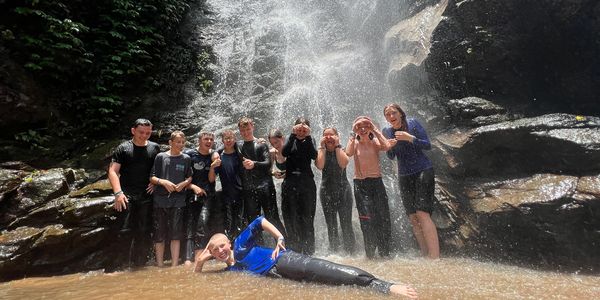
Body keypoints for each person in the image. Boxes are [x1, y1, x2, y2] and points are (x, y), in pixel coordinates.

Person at [193, 216, 418, 299]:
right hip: (280, 277)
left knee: (329, 270)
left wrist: (279, 237)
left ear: (228, 243)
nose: (221, 251)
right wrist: (200, 261)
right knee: (328, 286)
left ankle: (384, 286)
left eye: (222, 246)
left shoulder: (240, 246)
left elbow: (259, 221)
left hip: (282, 261)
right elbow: (198, 279)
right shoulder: (230, 270)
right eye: (215, 250)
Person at [383, 103, 439, 259]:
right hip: (404, 175)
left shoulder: (413, 123)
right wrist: (389, 147)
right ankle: (424, 253)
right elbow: (391, 156)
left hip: (423, 170)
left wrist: (410, 138)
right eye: (388, 115)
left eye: (393, 112)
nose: (391, 116)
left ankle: (435, 257)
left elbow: (427, 145)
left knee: (422, 213)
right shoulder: (387, 131)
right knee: (413, 217)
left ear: (401, 113)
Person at [107, 118, 161, 267]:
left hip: (147, 195)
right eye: (141, 132)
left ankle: (139, 266)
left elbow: (160, 168)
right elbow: (112, 171)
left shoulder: (155, 148)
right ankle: (117, 266)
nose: (144, 136)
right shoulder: (123, 148)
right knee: (123, 230)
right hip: (126, 195)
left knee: (144, 231)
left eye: (148, 133)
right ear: (133, 131)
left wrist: (155, 182)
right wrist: (118, 193)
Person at [346, 116, 392, 259]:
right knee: (366, 219)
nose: (363, 128)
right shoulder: (355, 142)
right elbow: (348, 153)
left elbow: (387, 146)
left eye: (366, 125)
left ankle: (385, 253)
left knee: (382, 217)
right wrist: (354, 133)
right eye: (359, 126)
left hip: (376, 182)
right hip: (360, 184)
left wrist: (374, 128)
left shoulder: (375, 141)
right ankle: (370, 255)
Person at [237, 117, 286, 238]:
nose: (246, 132)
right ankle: (258, 248)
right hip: (249, 189)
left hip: (265, 187)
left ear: (253, 127)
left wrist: (254, 164)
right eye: (243, 130)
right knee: (253, 220)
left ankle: (284, 246)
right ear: (239, 131)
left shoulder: (261, 144)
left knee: (273, 217)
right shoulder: (237, 145)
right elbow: (223, 147)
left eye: (248, 129)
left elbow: (268, 163)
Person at [150, 131, 193, 267]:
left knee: (176, 233)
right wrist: (163, 182)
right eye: (178, 142)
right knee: (159, 234)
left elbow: (190, 176)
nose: (180, 144)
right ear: (170, 142)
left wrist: (184, 184)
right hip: (160, 200)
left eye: (182, 142)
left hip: (178, 200)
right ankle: (160, 265)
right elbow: (152, 177)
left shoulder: (186, 158)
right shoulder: (160, 157)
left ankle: (174, 265)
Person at [315, 127, 356, 254]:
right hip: (326, 191)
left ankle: (351, 253)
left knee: (346, 224)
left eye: (331, 135)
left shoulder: (342, 150)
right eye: (325, 135)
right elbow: (320, 166)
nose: (328, 137)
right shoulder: (320, 152)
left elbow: (343, 164)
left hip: (343, 190)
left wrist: (337, 145)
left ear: (337, 136)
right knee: (331, 225)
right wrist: (322, 147)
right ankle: (335, 254)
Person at [280, 117, 318, 255]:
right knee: (291, 218)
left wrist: (307, 137)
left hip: (306, 183)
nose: (301, 132)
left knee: (307, 218)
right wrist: (292, 134)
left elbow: (314, 155)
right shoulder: (291, 140)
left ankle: (309, 251)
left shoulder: (310, 140)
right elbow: (284, 152)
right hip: (290, 182)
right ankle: (295, 250)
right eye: (299, 129)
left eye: (304, 130)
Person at [183, 131, 219, 265]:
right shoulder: (189, 155)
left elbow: (211, 180)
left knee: (202, 225)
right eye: (206, 139)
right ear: (199, 140)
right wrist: (193, 186)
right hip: (190, 194)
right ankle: (187, 258)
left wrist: (213, 167)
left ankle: (199, 256)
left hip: (207, 195)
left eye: (211, 139)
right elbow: (181, 176)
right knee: (189, 225)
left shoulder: (213, 156)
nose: (209, 141)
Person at [213, 130, 244, 238]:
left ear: (235, 139)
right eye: (226, 138)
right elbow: (213, 175)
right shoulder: (219, 156)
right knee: (229, 222)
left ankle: (241, 247)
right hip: (227, 194)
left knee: (241, 221)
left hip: (241, 192)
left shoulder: (240, 152)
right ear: (222, 140)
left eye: (231, 138)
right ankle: (230, 246)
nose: (229, 140)